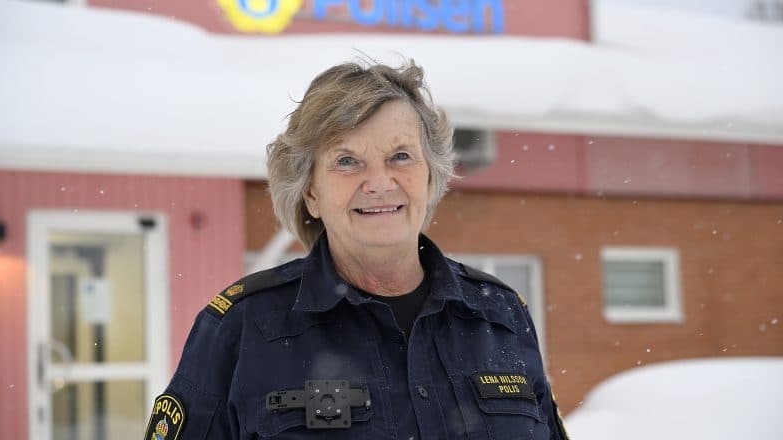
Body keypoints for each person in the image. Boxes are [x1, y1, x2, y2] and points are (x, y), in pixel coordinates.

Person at [144, 59, 570, 439]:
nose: (380, 182)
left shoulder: (501, 316)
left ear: (430, 177)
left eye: (400, 156)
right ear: (311, 192)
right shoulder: (242, 328)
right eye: (347, 161)